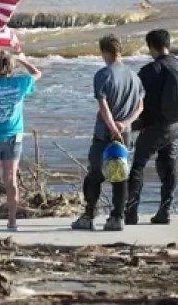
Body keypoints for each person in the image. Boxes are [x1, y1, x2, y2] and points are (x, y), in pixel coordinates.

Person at [71, 34, 144, 232]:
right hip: (126, 133)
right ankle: (117, 217)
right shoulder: (134, 76)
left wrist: (112, 127)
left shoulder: (103, 75)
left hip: (105, 133)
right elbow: (140, 107)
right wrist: (124, 124)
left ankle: (88, 216)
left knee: (94, 174)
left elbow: (103, 105)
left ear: (104, 52)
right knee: (120, 175)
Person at [0, 49, 41, 231]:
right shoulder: (20, 82)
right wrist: (22, 59)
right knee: (11, 180)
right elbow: (37, 73)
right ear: (12, 67)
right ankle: (12, 221)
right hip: (13, 137)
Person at [126, 29, 178, 225]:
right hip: (176, 126)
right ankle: (165, 211)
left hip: (155, 127)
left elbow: (138, 99)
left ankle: (131, 213)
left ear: (151, 46)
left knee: (137, 168)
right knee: (168, 166)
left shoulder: (150, 70)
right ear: (168, 44)